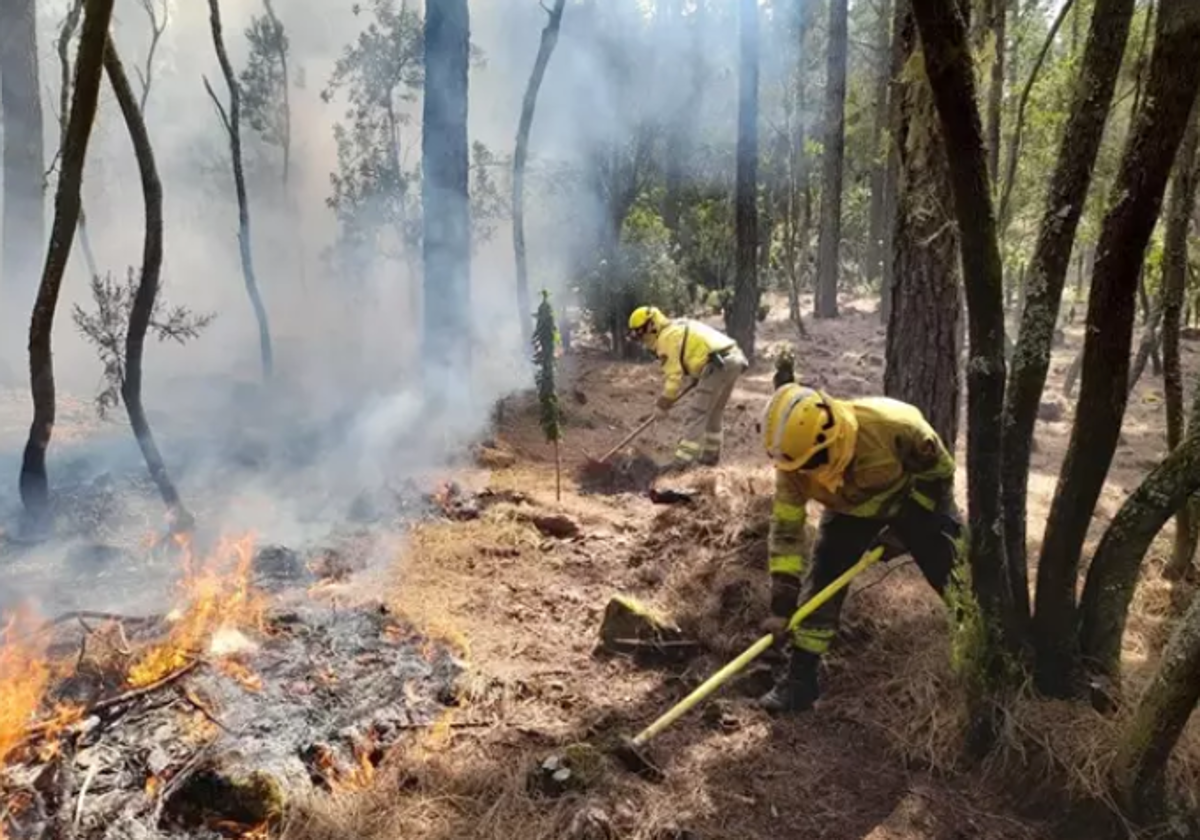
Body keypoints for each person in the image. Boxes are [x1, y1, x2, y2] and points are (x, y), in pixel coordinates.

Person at [756, 379, 966, 713]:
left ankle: (984, 657)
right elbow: (785, 530)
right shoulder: (792, 464)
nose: (802, 474)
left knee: (956, 579)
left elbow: (940, 474)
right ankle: (800, 683)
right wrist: (782, 605)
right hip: (849, 509)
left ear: (830, 438)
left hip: (915, 500)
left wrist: (906, 529)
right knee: (822, 583)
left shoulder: (895, 428)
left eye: (810, 463)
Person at [627, 305, 749, 471]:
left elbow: (673, 377)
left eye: (641, 332)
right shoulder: (677, 326)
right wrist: (697, 377)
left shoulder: (666, 339)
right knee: (714, 412)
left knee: (697, 414)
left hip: (717, 364)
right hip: (733, 359)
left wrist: (663, 404)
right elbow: (695, 350)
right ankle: (710, 457)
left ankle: (681, 464)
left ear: (651, 325)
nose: (641, 338)